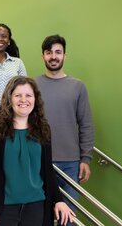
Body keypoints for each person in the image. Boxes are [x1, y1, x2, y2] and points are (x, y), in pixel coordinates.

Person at [0, 76, 75, 226]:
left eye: (28, 95)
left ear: (35, 99)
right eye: (18, 95)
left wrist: (58, 200)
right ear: (9, 99)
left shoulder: (43, 129)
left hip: (37, 205)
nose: (23, 100)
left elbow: (47, 169)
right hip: (4, 207)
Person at [35, 35, 95, 217]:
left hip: (71, 163)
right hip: (39, 161)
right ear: (43, 56)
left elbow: (86, 124)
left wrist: (85, 158)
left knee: (68, 217)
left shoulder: (78, 87)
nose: (53, 56)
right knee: (42, 215)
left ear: (65, 56)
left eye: (58, 52)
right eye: (49, 52)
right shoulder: (33, 86)